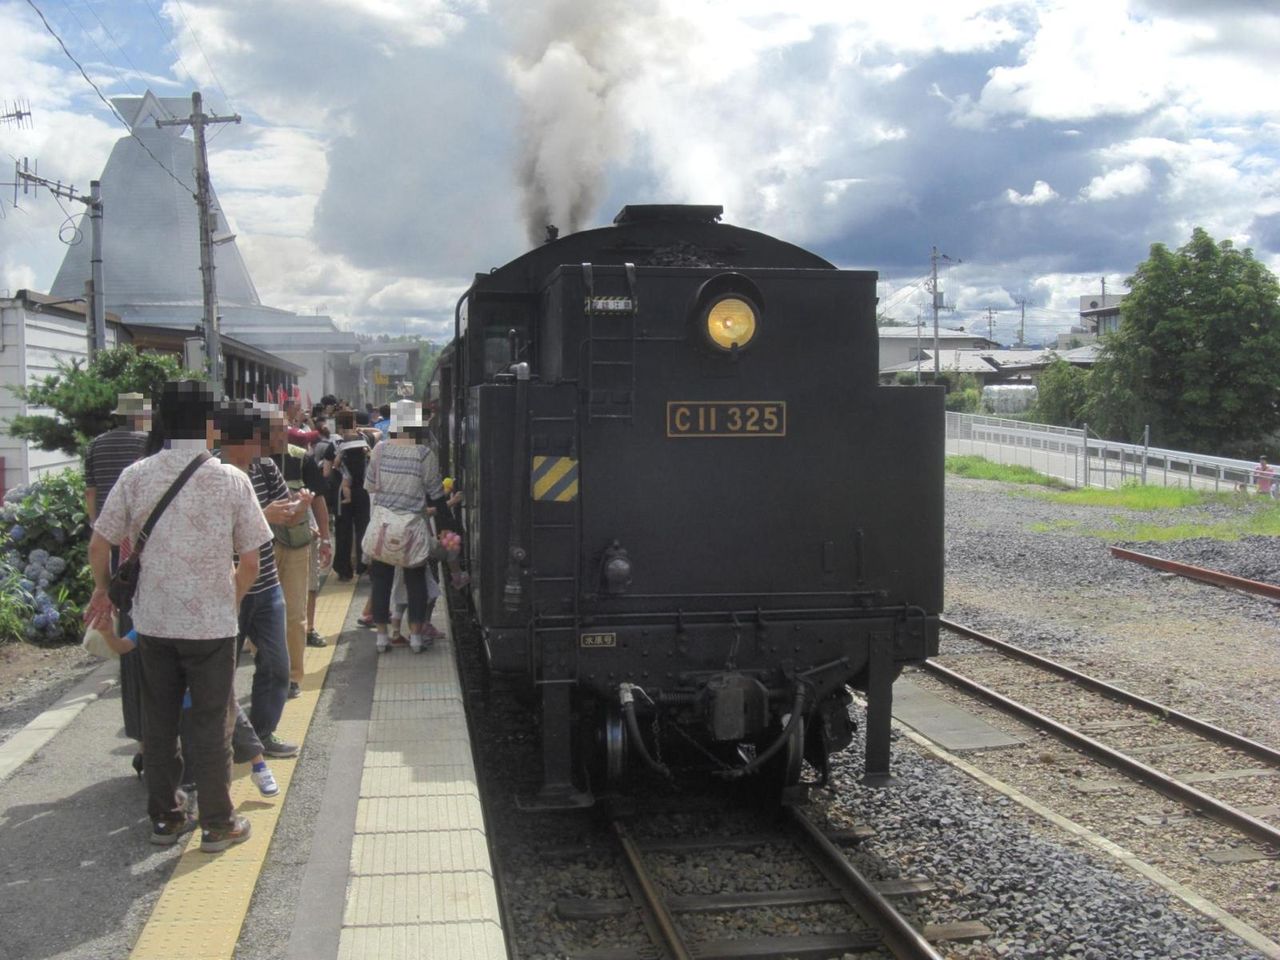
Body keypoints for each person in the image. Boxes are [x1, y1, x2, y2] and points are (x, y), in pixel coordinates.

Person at [86, 380, 268, 852]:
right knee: (212, 723)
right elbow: (250, 561)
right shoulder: (232, 479)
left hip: (154, 622)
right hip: (210, 625)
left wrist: (103, 590)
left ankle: (166, 819)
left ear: (163, 421)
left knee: (159, 722)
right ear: (210, 425)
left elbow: (100, 541)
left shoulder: (137, 474)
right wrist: (230, 600)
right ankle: (218, 824)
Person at [215, 402, 300, 759]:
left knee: (278, 666)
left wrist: (300, 508)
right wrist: (266, 515)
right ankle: (219, 743)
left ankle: (263, 733)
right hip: (229, 586)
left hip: (266, 584)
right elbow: (212, 532)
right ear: (238, 439)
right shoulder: (214, 473)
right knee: (219, 673)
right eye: (258, 438)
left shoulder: (264, 468)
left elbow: (289, 515)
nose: (264, 445)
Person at [83, 391, 151, 777]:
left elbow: (91, 496)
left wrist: (100, 534)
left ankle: (143, 740)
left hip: (111, 547)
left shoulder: (96, 446)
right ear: (142, 419)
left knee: (129, 635)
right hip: (143, 550)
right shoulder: (146, 447)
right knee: (153, 641)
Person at [364, 399, 448, 653]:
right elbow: (436, 494)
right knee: (415, 582)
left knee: (381, 581)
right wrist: (446, 525)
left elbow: (369, 485)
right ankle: (415, 638)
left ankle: (381, 638)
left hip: (383, 527)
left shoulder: (379, 449)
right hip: (412, 527)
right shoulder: (424, 454)